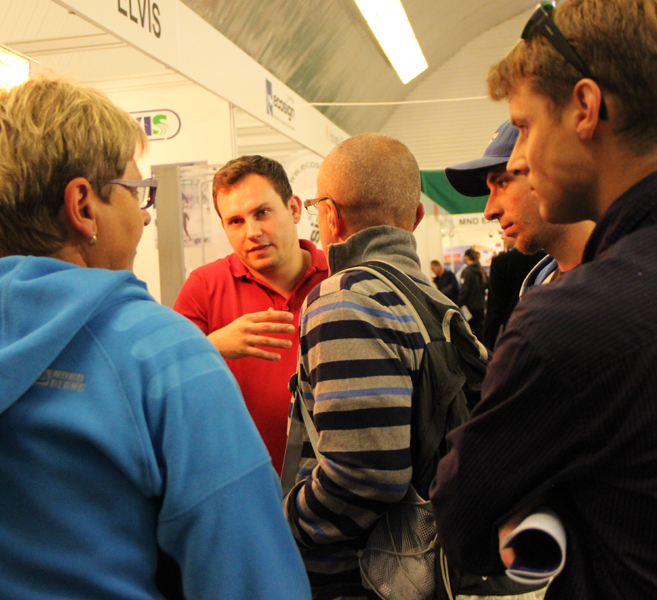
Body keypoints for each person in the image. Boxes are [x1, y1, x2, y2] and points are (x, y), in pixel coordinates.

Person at [0, 76, 310, 599]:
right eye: (136, 192)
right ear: (83, 206)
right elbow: (256, 583)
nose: (143, 215)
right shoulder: (163, 356)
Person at [430, 1, 657, 599]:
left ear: (584, 107)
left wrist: (551, 503)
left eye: (525, 127)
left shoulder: (572, 324)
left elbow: (464, 521)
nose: (520, 158)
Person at [283, 132, 455, 600]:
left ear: (330, 216)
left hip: (357, 576)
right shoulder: (433, 301)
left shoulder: (346, 298)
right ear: (416, 217)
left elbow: (365, 474)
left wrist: (284, 523)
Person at [173, 156, 329, 473]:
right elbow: (162, 383)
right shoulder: (203, 287)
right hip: (239, 482)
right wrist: (211, 345)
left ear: (294, 209)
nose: (252, 232)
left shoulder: (339, 277)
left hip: (333, 483)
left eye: (262, 213)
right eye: (236, 221)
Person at [445, 119, 593, 347]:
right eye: (490, 189)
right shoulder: (539, 286)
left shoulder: (627, 288)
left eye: (502, 183)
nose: (489, 211)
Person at [457, 248, 486, 337]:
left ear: (467, 257)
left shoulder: (467, 272)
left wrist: (458, 305)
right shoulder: (482, 271)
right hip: (480, 308)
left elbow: (464, 291)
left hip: (470, 309)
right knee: (480, 335)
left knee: (471, 335)